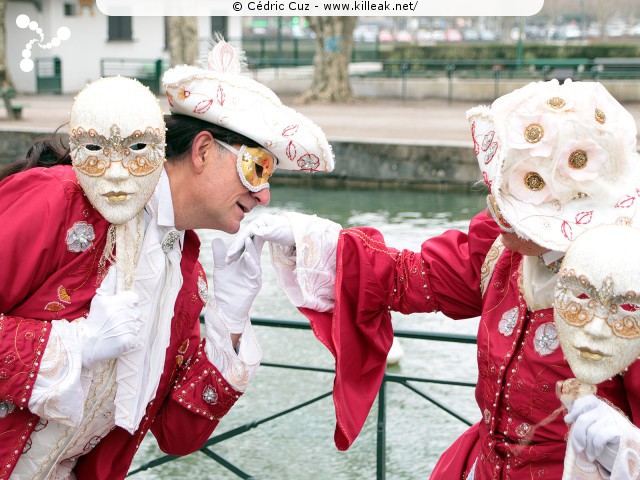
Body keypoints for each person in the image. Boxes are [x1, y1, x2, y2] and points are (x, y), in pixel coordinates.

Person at [228, 79, 640, 478]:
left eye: (510, 207)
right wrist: (313, 239)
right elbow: (411, 277)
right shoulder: (501, 251)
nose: (495, 211)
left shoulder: (627, 290)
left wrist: (626, 452)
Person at [0, 39, 334, 479]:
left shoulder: (187, 270)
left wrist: (231, 323)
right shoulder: (59, 200)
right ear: (201, 150)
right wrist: (74, 348)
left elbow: (178, 433)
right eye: (257, 168)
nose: (264, 194)